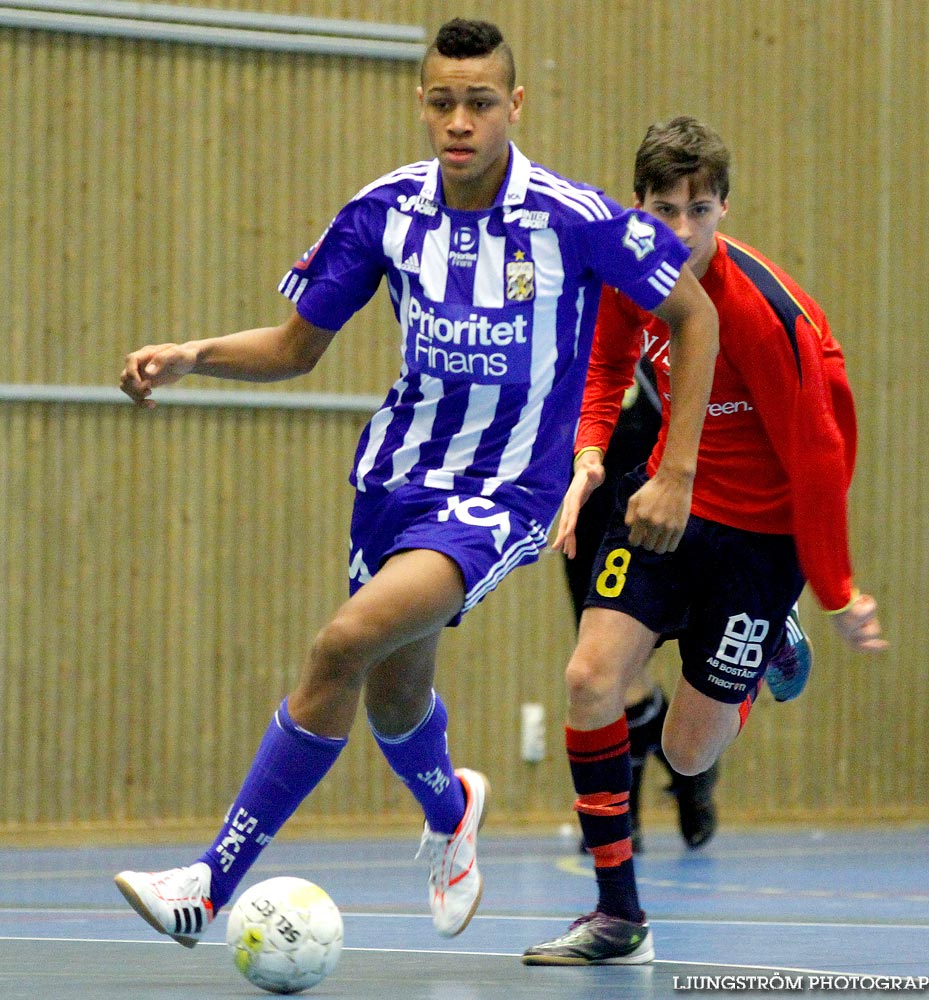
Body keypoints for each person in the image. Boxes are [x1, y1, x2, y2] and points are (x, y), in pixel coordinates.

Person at [113, 24, 719, 949]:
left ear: (513, 107)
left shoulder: (574, 217)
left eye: (480, 102)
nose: (459, 121)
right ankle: (451, 811)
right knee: (397, 699)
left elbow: (695, 310)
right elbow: (293, 347)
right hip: (394, 481)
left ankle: (209, 881)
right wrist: (194, 353)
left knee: (340, 645)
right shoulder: (384, 212)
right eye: (442, 101)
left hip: (505, 492)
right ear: (422, 103)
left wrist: (675, 470)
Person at [523, 116, 887, 966]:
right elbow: (607, 368)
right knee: (589, 680)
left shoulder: (764, 315)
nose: (679, 231)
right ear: (637, 207)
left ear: (723, 208)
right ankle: (618, 915)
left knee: (688, 754)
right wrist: (585, 457)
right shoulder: (629, 275)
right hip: (662, 504)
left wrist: (834, 589)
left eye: (698, 210)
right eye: (661, 210)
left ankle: (766, 643)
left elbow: (819, 455)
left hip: (760, 539)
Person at [562, 357, 720, 856]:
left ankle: (623, 811)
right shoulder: (568, 331)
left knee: (618, 673)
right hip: (588, 515)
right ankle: (678, 775)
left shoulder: (660, 333)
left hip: (652, 512)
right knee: (604, 671)